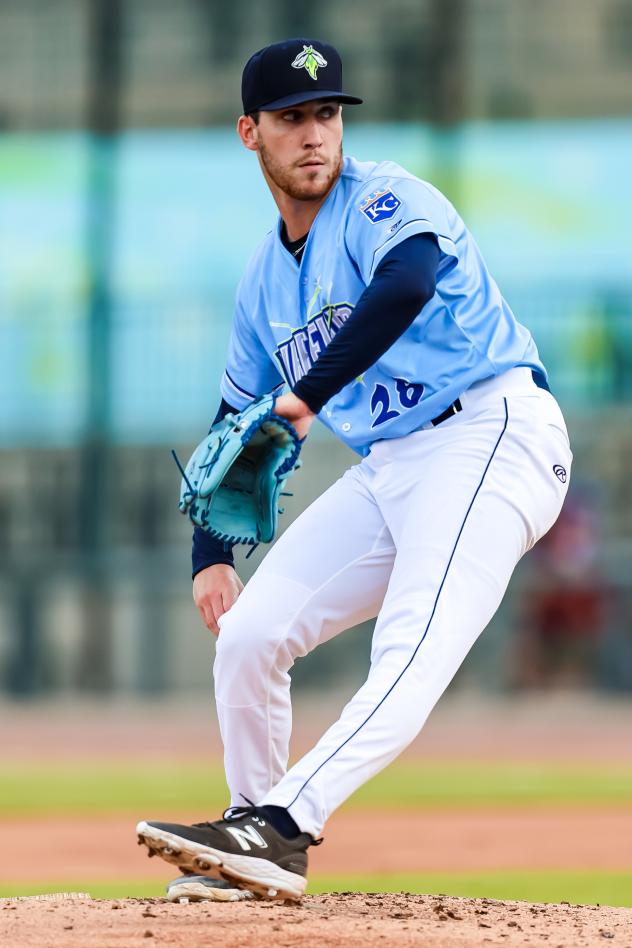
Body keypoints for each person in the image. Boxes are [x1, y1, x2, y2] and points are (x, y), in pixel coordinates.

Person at [137, 37, 572, 902]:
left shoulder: (384, 199)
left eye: (327, 114)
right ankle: (249, 836)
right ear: (250, 133)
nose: (314, 134)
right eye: (291, 117)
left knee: (412, 644)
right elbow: (233, 421)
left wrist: (303, 398)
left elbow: (406, 286)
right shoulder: (264, 281)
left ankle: (285, 822)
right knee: (252, 635)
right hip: (394, 464)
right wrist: (208, 555)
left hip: (491, 431)